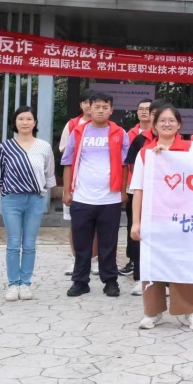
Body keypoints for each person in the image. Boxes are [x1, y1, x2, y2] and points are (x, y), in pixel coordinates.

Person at [128, 106, 193, 331]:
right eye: (162, 120)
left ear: (179, 124)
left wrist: (169, 158)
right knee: (152, 265)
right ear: (154, 126)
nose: (167, 124)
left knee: (183, 265)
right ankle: (152, 312)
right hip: (154, 219)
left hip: (183, 219)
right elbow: (138, 189)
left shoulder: (190, 148)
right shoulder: (146, 153)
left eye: (172, 120)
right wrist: (136, 222)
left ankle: (189, 311)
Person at [61, 92, 129, 298]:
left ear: (111, 110)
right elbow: (68, 162)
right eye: (96, 107)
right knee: (82, 243)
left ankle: (110, 281)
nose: (101, 110)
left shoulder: (119, 133)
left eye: (105, 107)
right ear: (89, 109)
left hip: (110, 198)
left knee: (109, 242)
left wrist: (123, 191)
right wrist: (67, 190)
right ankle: (80, 281)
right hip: (82, 196)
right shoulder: (78, 131)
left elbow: (125, 165)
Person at [0, 106, 55, 301]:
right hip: (12, 200)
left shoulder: (44, 147)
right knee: (13, 243)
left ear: (35, 122)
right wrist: (8, 195)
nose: (25, 122)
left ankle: (25, 284)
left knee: (29, 244)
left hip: (35, 200)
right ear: (15, 122)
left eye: (29, 119)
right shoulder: (5, 147)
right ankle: (13, 284)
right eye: (21, 119)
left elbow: (49, 174)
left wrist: (40, 193)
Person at [122, 99, 170, 293]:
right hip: (142, 195)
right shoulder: (141, 141)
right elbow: (132, 167)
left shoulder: (185, 144)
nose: (164, 123)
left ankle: (167, 281)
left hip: (169, 202)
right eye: (157, 116)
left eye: (168, 118)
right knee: (139, 236)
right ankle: (140, 277)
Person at [59, 90, 97, 276]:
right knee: (76, 224)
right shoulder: (72, 125)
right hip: (75, 182)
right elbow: (63, 150)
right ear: (81, 105)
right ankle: (77, 260)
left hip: (96, 184)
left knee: (96, 225)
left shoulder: (106, 126)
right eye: (85, 102)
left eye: (92, 102)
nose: (89, 106)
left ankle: (94, 260)